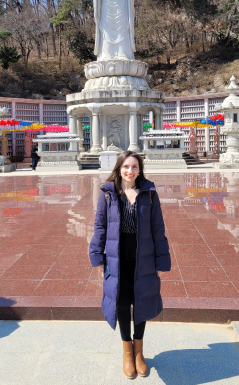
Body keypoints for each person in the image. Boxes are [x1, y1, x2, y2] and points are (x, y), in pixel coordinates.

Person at [89, 150, 171, 379]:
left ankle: (139, 352)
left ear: (140, 169)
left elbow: (158, 228)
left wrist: (160, 259)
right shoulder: (108, 194)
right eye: (126, 167)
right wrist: (97, 254)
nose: (130, 171)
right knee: (122, 304)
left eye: (134, 167)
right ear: (119, 169)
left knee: (142, 302)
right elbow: (100, 227)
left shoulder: (149, 193)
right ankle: (127, 351)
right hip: (117, 258)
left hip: (143, 256)